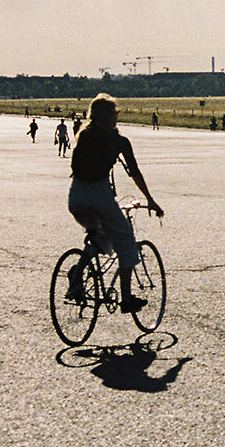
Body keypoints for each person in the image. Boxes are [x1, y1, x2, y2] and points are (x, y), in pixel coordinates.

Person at [67, 94, 164, 312]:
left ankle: (78, 274)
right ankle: (127, 299)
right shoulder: (119, 141)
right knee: (127, 244)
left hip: (76, 198)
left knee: (99, 237)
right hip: (100, 197)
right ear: (111, 117)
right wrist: (151, 200)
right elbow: (134, 172)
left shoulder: (83, 135)